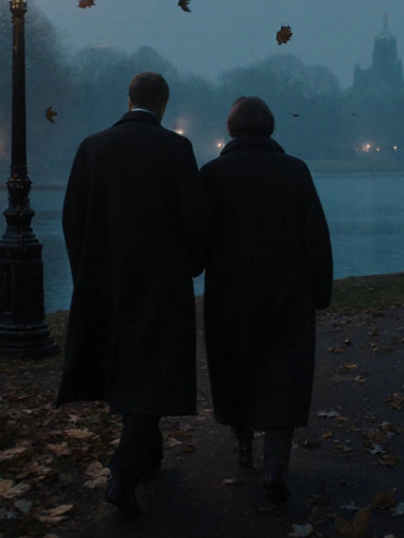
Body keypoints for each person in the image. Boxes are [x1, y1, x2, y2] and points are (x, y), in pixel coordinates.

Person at [55, 72, 210, 517]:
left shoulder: (93, 147)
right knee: (153, 367)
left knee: (130, 368)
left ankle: (149, 457)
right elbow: (194, 216)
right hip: (161, 280)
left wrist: (85, 269)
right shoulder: (176, 149)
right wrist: (193, 264)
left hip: (107, 277)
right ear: (163, 104)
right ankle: (124, 470)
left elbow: (72, 216)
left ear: (129, 101)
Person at [199, 96, 333, 504]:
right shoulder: (295, 171)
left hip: (230, 294)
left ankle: (244, 448)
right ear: (270, 127)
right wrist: (319, 291)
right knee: (283, 375)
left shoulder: (212, 175)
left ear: (231, 129)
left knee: (237, 369)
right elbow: (316, 236)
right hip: (286, 292)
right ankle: (276, 464)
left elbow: (199, 239)